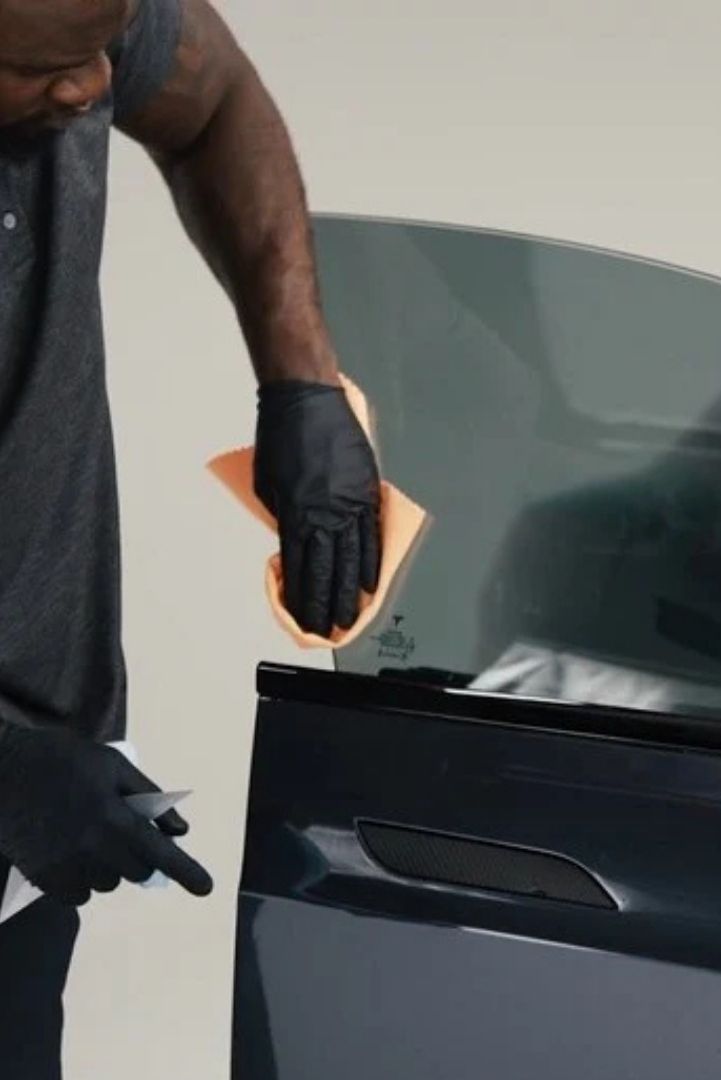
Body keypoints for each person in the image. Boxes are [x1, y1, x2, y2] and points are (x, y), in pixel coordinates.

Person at [0, 0, 380, 1073]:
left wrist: (301, 378)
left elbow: (212, 103)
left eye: (104, 45)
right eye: (47, 67)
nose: (92, 87)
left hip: (27, 847)